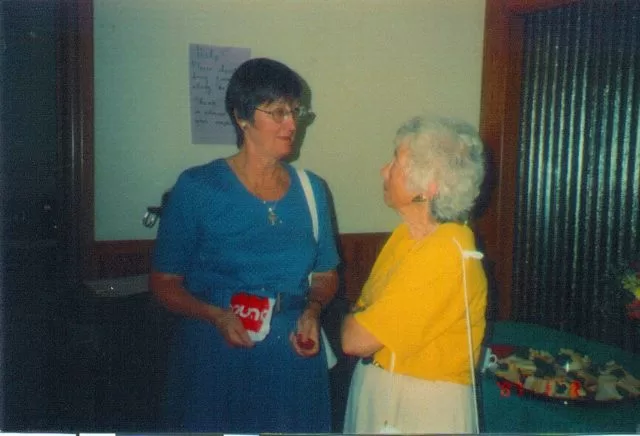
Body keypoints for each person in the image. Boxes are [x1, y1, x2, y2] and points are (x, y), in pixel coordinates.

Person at [150, 57, 340, 433]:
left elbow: (327, 274)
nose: (292, 124)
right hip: (218, 352)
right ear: (241, 116)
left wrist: (313, 311)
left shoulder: (312, 190)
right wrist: (216, 316)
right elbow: (164, 284)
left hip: (292, 356)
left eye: (296, 111)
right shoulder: (198, 188)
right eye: (278, 112)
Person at [341, 116, 488, 434]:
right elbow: (360, 313)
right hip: (382, 393)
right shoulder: (404, 236)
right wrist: (365, 318)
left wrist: (365, 319)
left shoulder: (449, 249)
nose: (384, 170)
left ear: (429, 186)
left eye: (395, 161)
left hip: (421, 409)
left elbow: (355, 339)